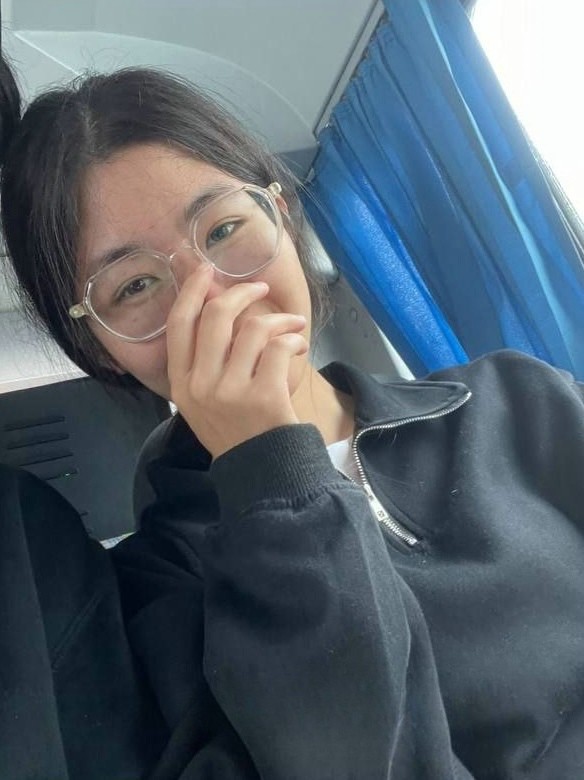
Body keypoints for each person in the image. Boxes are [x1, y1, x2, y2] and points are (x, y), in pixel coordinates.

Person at [0, 59, 583, 780]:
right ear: (99, 348)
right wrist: (271, 467)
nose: (214, 297)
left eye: (224, 228)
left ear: (281, 214)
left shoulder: (518, 399)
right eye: (137, 284)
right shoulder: (159, 596)